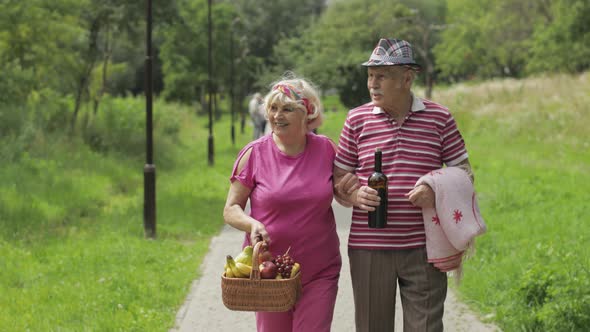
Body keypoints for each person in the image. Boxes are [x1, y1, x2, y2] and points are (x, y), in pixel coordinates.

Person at [333, 38, 473, 332]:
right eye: (370, 75)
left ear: (407, 79)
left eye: (381, 76)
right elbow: (338, 180)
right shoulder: (355, 120)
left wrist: (436, 188)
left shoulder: (440, 117)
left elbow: (464, 172)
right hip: (369, 248)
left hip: (425, 247)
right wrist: (356, 195)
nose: (373, 83)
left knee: (426, 328)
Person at [223, 74, 342, 332]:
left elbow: (345, 191)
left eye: (287, 109)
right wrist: (251, 223)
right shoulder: (254, 153)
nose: (278, 115)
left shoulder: (326, 150)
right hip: (269, 272)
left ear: (307, 113)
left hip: (320, 270)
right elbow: (231, 209)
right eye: (273, 108)